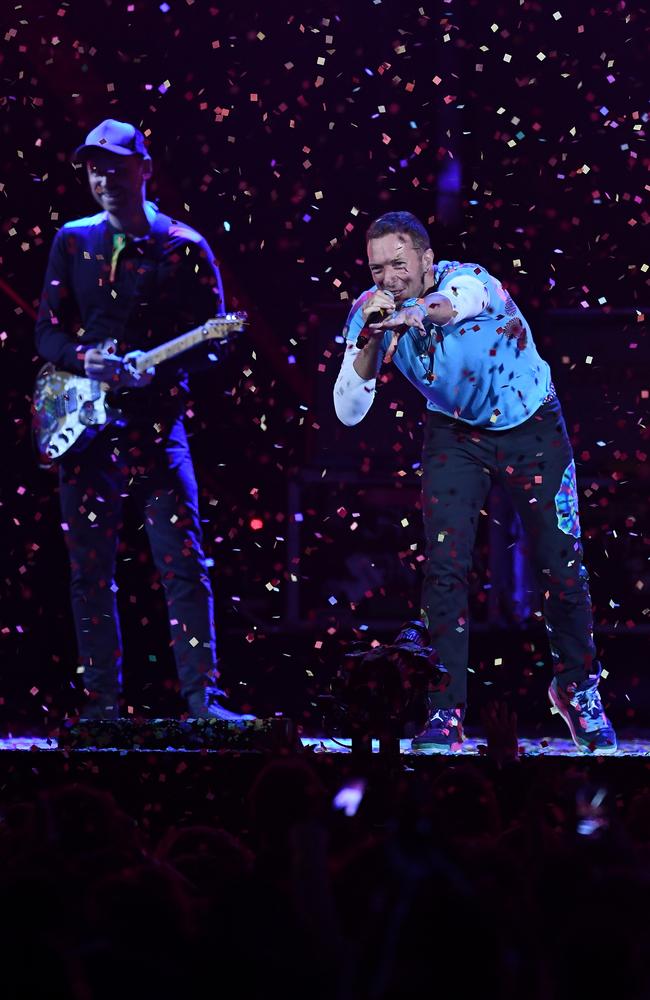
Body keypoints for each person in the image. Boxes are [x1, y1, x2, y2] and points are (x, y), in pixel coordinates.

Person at [333, 210, 616, 754]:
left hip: (531, 425)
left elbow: (455, 305)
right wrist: (370, 332)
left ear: (426, 260)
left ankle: (577, 690)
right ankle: (443, 709)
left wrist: (416, 313)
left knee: (561, 563)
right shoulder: (368, 312)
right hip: (455, 433)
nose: (389, 278)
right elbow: (349, 409)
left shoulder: (470, 280)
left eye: (399, 264)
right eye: (377, 269)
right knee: (445, 568)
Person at [35, 118, 251, 722]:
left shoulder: (184, 246)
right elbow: (46, 331)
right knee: (89, 569)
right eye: (94, 167)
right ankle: (102, 701)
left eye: (116, 166)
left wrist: (160, 371)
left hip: (157, 426)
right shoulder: (72, 242)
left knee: (183, 561)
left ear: (145, 169)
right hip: (85, 427)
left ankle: (203, 701)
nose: (104, 178)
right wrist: (85, 359)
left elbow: (216, 341)